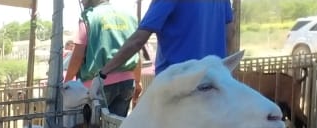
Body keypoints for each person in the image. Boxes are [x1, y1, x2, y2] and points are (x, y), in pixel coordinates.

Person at [93, 0, 232, 80]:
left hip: (179, 86)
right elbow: (228, 34)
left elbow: (138, 40)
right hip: (215, 83)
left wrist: (104, 72)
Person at [66, 0, 139, 117]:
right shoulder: (129, 16)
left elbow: (78, 55)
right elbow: (136, 49)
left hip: (97, 84)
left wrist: (67, 82)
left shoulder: (88, 16)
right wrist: (138, 81)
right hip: (127, 83)